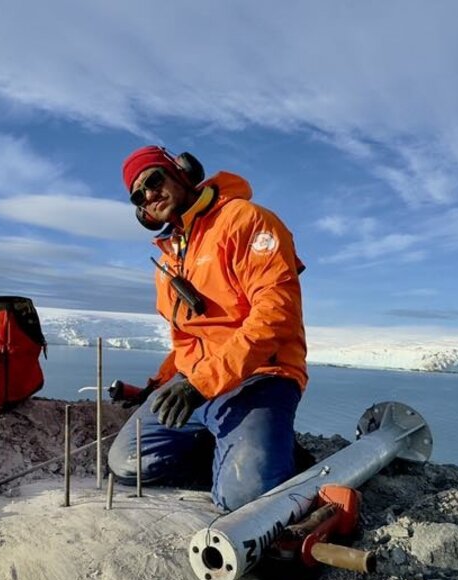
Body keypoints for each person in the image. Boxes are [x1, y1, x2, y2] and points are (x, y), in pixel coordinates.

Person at [106, 146, 308, 512]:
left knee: (243, 500)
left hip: (261, 376)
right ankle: (232, 449)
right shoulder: (169, 259)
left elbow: (277, 315)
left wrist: (201, 384)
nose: (149, 195)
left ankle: (271, 457)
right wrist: (159, 384)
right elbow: (188, 339)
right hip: (197, 384)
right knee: (127, 462)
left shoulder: (246, 220)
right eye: (139, 195)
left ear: (182, 172)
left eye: (153, 180)